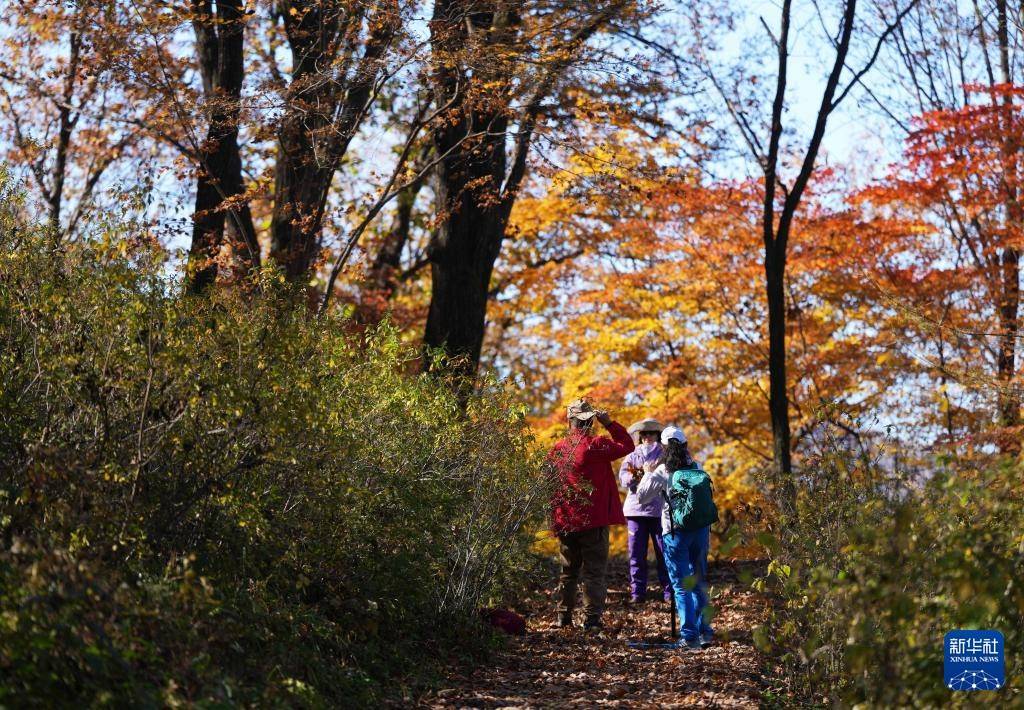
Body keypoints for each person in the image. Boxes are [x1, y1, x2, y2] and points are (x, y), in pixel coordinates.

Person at [547, 399, 634, 631]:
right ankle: (591, 620)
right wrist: (609, 422)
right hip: (593, 522)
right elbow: (627, 445)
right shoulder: (596, 445)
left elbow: (548, 485)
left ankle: (562, 618)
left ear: (570, 421)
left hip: (566, 521)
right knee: (594, 573)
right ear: (591, 422)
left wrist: (554, 519)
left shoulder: (557, 450)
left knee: (568, 573)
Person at [636, 425, 716, 649]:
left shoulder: (663, 471)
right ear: (685, 445)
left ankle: (689, 637)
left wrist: (647, 472)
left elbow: (642, 497)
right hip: (701, 531)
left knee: (681, 586)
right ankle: (705, 632)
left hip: (675, 532)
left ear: (663, 447)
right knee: (698, 581)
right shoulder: (697, 466)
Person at [619, 419, 672, 604]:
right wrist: (638, 474)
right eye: (644, 434)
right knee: (636, 554)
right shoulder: (632, 455)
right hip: (635, 510)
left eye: (651, 433)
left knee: (664, 553)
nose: (648, 437)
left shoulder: (665, 453)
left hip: (659, 511)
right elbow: (623, 478)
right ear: (640, 437)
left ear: (657, 436)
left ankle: (669, 593)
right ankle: (638, 594)